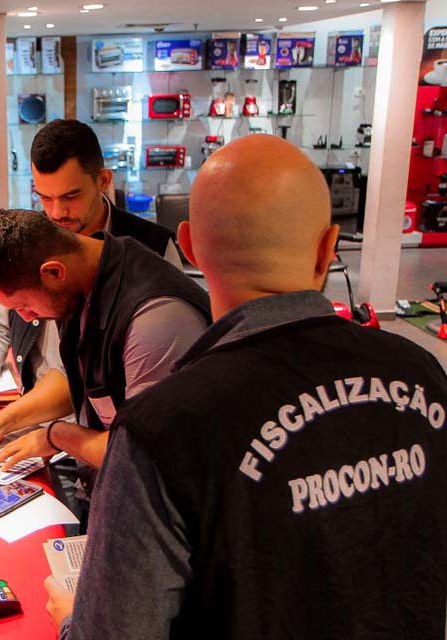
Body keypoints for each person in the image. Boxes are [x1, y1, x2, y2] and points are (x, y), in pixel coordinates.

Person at [47, 134, 447, 639]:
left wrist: (68, 615)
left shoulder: (163, 429)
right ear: (328, 248)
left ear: (188, 246)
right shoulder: (423, 373)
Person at [0, 119, 180, 411]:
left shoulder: (154, 247)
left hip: (113, 427)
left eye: (71, 196)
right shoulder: (27, 239)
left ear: (103, 181)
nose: (57, 212)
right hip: (32, 414)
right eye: (44, 197)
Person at [0, 209, 210, 474]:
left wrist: (57, 436)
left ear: (54, 272)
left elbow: (141, 453)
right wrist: (2, 421)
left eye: (24, 305)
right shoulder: (84, 281)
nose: (26, 318)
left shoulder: (157, 318)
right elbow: (75, 379)